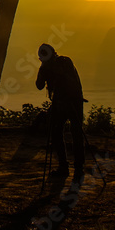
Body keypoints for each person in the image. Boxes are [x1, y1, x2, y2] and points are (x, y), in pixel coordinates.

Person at [36, 43, 86, 180]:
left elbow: (40, 85)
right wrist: (43, 69)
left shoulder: (60, 63)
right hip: (67, 102)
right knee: (65, 133)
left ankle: (72, 167)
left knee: (68, 133)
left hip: (68, 103)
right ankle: (71, 168)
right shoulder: (59, 64)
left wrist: (45, 69)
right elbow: (39, 85)